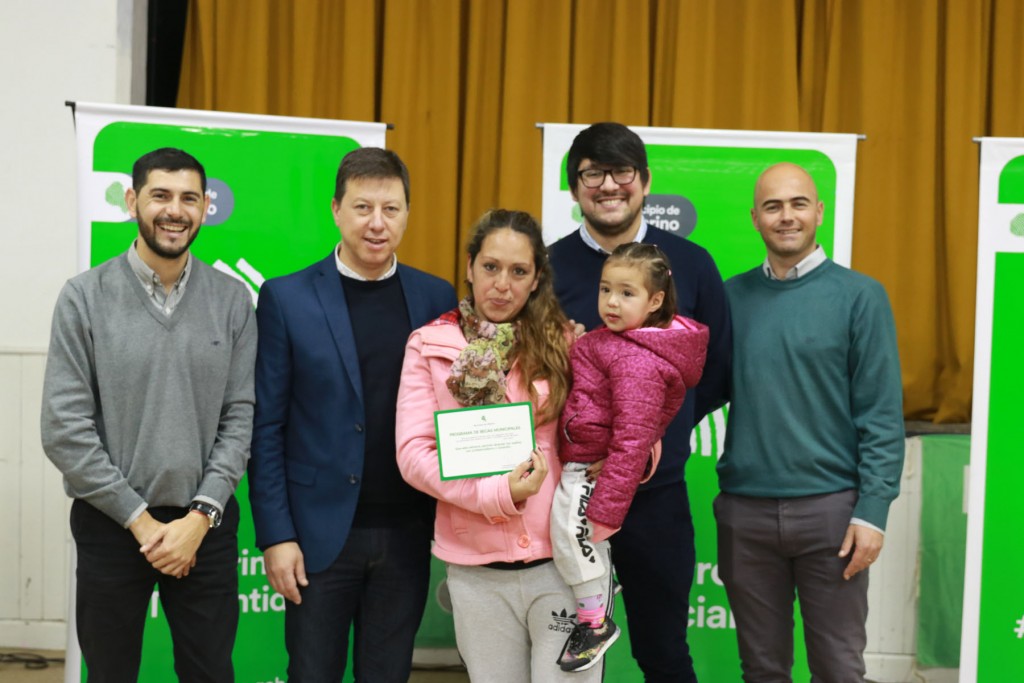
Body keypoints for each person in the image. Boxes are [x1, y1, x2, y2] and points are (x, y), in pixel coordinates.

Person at [40, 147, 256, 681]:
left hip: (204, 527)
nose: (174, 211)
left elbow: (240, 417)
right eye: (160, 195)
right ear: (132, 200)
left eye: (188, 198)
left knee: (210, 672)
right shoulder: (83, 298)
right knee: (110, 672)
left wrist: (199, 519)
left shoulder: (233, 301)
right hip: (111, 525)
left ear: (205, 207)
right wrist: (140, 521)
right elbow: (64, 429)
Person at [247, 147, 456, 682]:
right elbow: (266, 427)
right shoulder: (286, 298)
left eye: (391, 209)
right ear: (337, 210)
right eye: (363, 207)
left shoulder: (436, 297)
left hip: (408, 533)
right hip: (317, 536)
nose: (377, 223)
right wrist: (276, 536)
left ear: (407, 213)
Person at [548, 122, 731, 681]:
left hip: (657, 501)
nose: (608, 185)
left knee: (664, 653)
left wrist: (652, 433)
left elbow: (715, 369)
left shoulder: (691, 264)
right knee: (567, 659)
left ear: (645, 181)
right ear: (575, 187)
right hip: (567, 496)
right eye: (592, 174)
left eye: (622, 171)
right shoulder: (547, 268)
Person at [396, 209, 604, 682]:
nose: (502, 285)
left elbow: (616, 420)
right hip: (476, 570)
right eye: (491, 267)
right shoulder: (428, 345)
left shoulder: (568, 342)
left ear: (536, 280)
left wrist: (632, 455)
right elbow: (413, 455)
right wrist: (497, 493)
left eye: (519, 271)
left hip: (565, 564)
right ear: (470, 267)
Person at [716, 162, 905, 681]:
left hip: (832, 515)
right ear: (755, 218)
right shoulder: (729, 299)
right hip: (745, 515)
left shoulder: (860, 296)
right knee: (761, 670)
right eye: (773, 206)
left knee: (839, 669)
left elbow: (882, 415)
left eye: (798, 203)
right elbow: (692, 389)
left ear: (819, 212)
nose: (787, 216)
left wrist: (872, 513)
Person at [552, 243, 710, 673]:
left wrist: (605, 514)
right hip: (593, 482)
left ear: (655, 301)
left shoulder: (636, 358)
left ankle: (594, 618)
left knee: (661, 650)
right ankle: (596, 603)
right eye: (605, 290)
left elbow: (631, 439)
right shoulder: (608, 341)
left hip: (625, 501)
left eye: (626, 293)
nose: (612, 302)